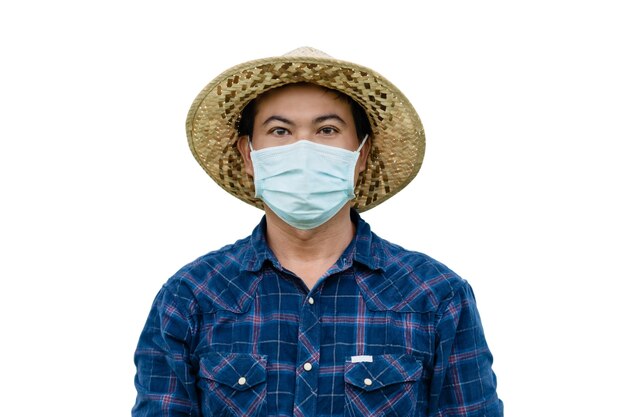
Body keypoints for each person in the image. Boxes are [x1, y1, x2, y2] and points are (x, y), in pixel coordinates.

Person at [132, 47, 503, 417]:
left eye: (327, 130)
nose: (303, 149)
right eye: (280, 131)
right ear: (248, 155)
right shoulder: (192, 296)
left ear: (361, 154)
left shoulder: (435, 296)